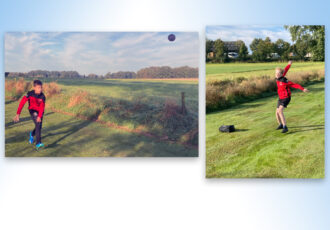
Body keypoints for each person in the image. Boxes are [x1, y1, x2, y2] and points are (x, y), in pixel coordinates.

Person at [275, 61, 309, 133]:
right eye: (276, 73)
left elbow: (294, 85)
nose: (276, 74)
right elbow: (285, 70)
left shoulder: (284, 80)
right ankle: (280, 124)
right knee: (277, 112)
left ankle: (285, 127)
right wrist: (289, 64)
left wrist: (302, 89)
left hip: (286, 97)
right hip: (280, 98)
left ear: (281, 74)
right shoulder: (278, 78)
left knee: (280, 111)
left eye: (278, 73)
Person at [13, 79, 46, 149]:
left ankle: (32, 134)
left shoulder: (43, 97)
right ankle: (38, 143)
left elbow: (42, 108)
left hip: (39, 111)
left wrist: (40, 116)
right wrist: (18, 114)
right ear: (34, 88)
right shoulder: (29, 94)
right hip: (32, 110)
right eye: (38, 88)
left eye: (41, 87)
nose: (40, 89)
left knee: (39, 126)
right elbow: (22, 103)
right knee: (38, 124)